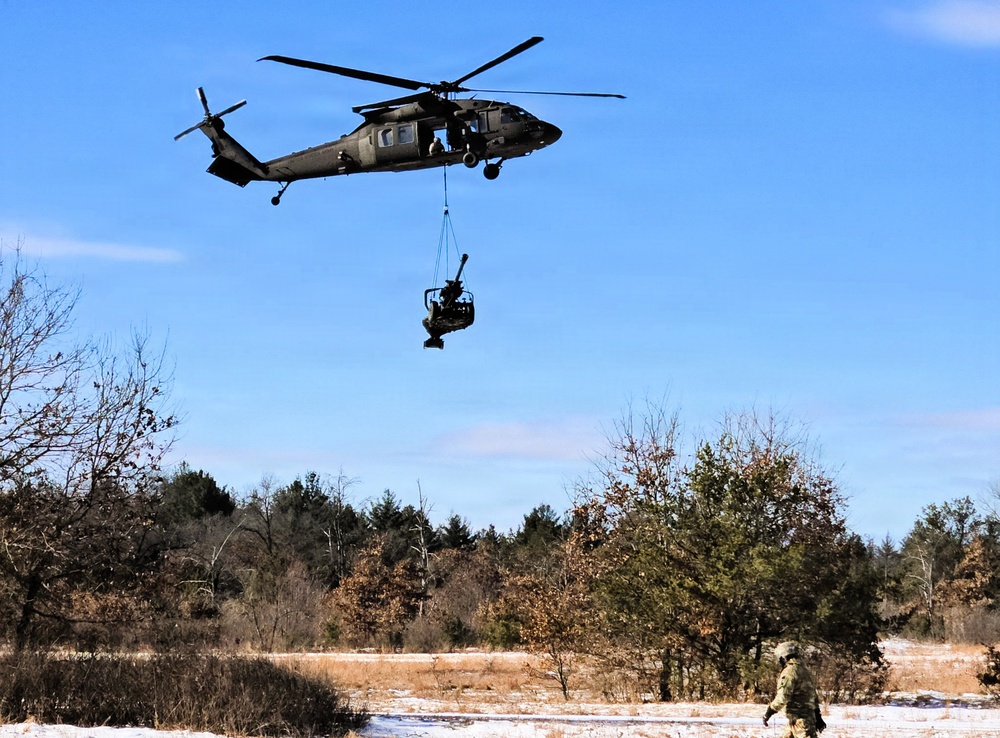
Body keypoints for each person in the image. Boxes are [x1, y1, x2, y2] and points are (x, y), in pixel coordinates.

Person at [763, 641, 826, 737]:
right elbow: (813, 695)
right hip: (798, 720)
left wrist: (769, 712)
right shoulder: (804, 670)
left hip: (800, 722)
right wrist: (818, 716)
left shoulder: (789, 672)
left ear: (784, 657)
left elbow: (783, 696)